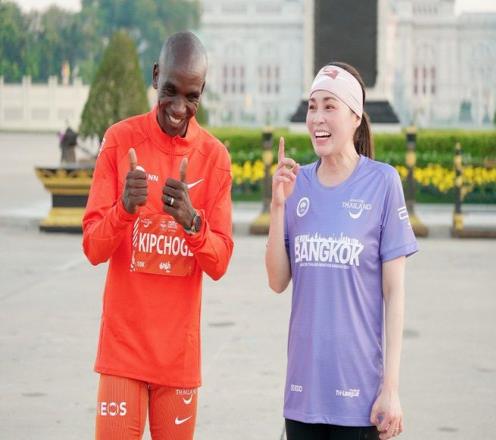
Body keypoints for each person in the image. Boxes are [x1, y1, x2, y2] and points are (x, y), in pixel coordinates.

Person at [82, 31, 233, 440]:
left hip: (177, 360)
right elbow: (93, 248)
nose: (179, 108)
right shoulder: (120, 140)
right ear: (154, 76)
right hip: (122, 353)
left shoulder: (214, 158)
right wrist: (123, 211)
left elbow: (219, 263)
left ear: (202, 92)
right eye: (170, 91)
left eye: (191, 96)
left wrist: (192, 222)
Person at [265, 62, 418, 440]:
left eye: (330, 106)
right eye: (312, 106)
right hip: (302, 392)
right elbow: (277, 281)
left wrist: (391, 389)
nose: (317, 117)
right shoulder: (297, 184)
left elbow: (394, 293)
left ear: (355, 117)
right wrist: (278, 206)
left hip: (359, 398)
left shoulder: (383, 182)